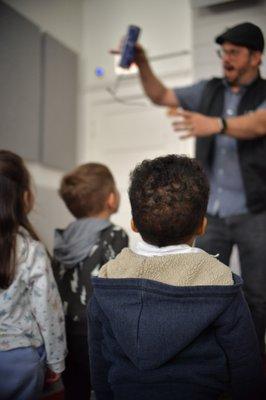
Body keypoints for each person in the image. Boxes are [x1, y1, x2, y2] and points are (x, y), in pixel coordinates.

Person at [129, 22, 266, 355]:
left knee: (259, 295)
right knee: (200, 285)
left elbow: (261, 122)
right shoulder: (208, 91)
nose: (226, 59)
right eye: (224, 52)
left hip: (256, 212)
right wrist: (142, 63)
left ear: (255, 57)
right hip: (210, 215)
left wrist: (215, 124)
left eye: (235, 52)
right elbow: (160, 95)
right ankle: (208, 356)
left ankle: (252, 358)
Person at [88, 154, 264, 400]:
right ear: (202, 226)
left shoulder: (108, 280)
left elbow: (98, 363)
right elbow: (246, 367)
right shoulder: (221, 283)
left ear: (134, 225)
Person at [53, 162, 128, 400]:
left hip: (65, 329)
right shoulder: (115, 235)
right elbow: (120, 287)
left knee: (74, 389)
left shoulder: (64, 237)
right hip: (97, 331)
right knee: (104, 388)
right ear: (110, 199)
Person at [0, 150, 66, 400]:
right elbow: (48, 311)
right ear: (25, 197)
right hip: (22, 360)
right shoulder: (31, 251)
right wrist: (56, 362)